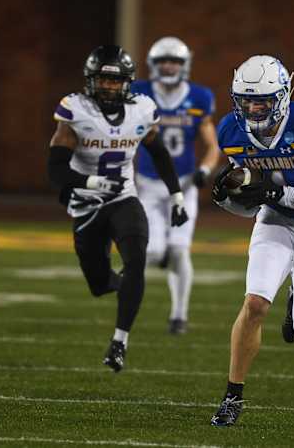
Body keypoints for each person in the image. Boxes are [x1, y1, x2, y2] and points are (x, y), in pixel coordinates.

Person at [208, 55, 294, 426]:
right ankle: (232, 396)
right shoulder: (231, 132)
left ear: (283, 97)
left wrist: (275, 195)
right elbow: (250, 207)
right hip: (274, 223)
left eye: (263, 101)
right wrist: (226, 200)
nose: (254, 109)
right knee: (254, 303)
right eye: (246, 101)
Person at [47, 45, 188, 373]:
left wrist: (176, 195)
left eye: (116, 82)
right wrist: (92, 183)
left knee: (136, 258)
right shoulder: (76, 111)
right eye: (103, 81)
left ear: (127, 83)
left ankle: (119, 342)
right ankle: (124, 286)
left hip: (124, 198)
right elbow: (55, 171)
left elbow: (160, 153)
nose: (110, 88)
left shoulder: (142, 109)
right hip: (86, 206)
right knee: (99, 283)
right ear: (90, 81)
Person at [131, 37, 220, 335]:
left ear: (185, 66)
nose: (169, 66)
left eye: (175, 61)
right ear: (153, 65)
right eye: (164, 61)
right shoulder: (138, 94)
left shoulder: (198, 97)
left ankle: (178, 315)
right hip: (148, 184)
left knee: (180, 251)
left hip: (183, 186)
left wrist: (204, 170)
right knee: (154, 253)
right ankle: (163, 252)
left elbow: (212, 145)